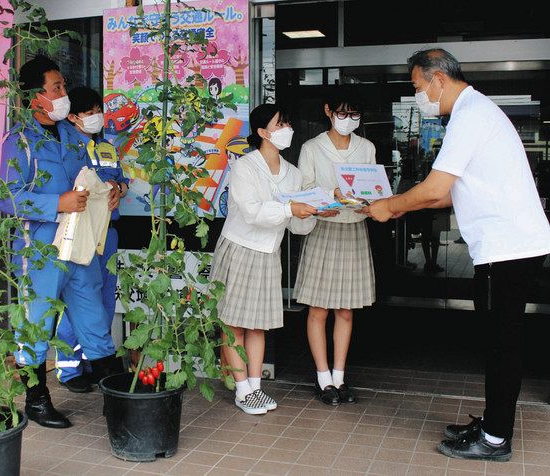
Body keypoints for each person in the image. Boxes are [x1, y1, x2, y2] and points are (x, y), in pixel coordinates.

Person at [363, 48, 550, 462]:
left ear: (438, 79)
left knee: (503, 344)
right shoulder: (475, 112)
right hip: (510, 245)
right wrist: (391, 202)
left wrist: (390, 207)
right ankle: (493, 423)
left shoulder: (470, 116)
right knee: (498, 340)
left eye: (417, 87)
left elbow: (432, 189)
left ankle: (497, 438)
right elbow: (446, 194)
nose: (418, 97)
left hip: (511, 247)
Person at [0, 56, 118, 428]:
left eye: (62, 86)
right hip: (40, 249)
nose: (64, 93)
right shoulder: (18, 141)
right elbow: (6, 197)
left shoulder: (71, 135)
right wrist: (56, 203)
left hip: (79, 245)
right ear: (35, 97)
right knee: (37, 322)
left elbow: (87, 176)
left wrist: (109, 190)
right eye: (57, 88)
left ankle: (114, 394)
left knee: (93, 315)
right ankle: (36, 400)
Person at [210, 104, 317, 414]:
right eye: (280, 123)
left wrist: (314, 211)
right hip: (241, 248)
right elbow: (253, 212)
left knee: (258, 326)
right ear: (262, 132)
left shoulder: (293, 173)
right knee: (234, 325)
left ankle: (255, 387)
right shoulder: (244, 167)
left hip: (269, 253)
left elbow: (297, 225)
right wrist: (290, 209)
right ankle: (242, 390)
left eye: (287, 122)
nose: (287, 128)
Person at [293, 90, 376, 406]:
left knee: (346, 308)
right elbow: (303, 190)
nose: (348, 121)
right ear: (328, 111)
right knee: (318, 308)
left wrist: (369, 200)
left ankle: (339, 378)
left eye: (354, 115)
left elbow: (372, 190)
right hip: (325, 229)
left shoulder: (366, 147)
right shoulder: (312, 148)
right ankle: (322, 378)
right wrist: (329, 197)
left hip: (353, 228)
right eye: (343, 114)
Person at [53, 87, 129, 392]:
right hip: (79, 234)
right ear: (73, 117)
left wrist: (118, 190)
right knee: (80, 301)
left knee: (104, 300)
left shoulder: (108, 148)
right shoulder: (68, 149)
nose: (96, 116)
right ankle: (69, 369)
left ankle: (94, 362)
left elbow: (121, 181)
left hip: (106, 234)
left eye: (98, 109)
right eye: (89, 112)